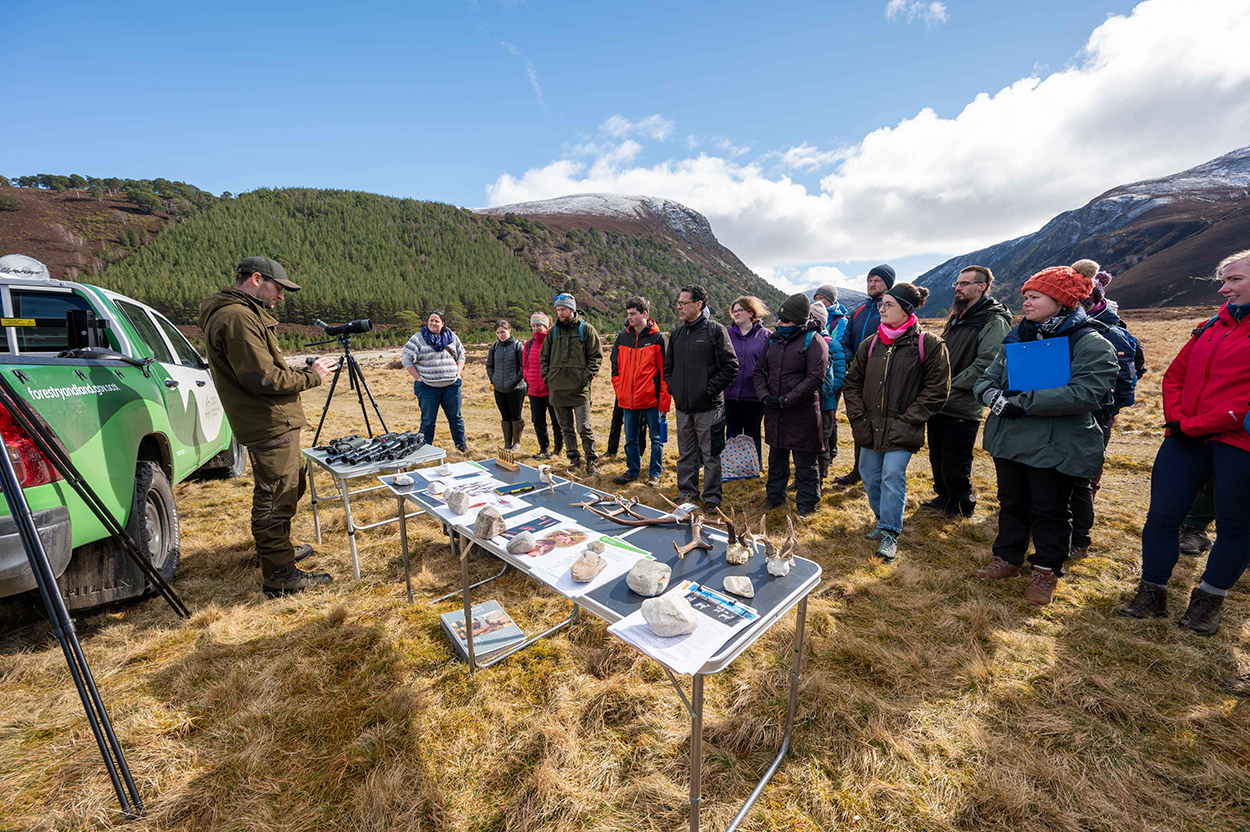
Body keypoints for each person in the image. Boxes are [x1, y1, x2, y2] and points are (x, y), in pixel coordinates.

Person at [1120, 249, 1250, 635]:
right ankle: (1151, 591)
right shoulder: (1210, 325)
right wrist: (1178, 420)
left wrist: (1197, 424)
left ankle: (1208, 601)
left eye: (1235, 280)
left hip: (1238, 441)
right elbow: (1175, 375)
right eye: (1224, 280)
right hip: (1185, 436)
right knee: (1162, 516)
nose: (1225, 289)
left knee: (1236, 525)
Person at [972, 266, 1117, 605]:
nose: (1027, 303)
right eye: (1026, 296)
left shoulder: (1090, 342)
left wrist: (1024, 401)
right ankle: (1007, 558)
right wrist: (992, 397)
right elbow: (987, 377)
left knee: (1050, 509)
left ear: (1060, 300)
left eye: (1035, 296)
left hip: (1055, 444)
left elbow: (1086, 392)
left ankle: (1046, 571)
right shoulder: (1019, 336)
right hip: (1010, 439)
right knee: (1012, 503)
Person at [198, 256, 336, 596]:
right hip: (268, 421)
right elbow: (263, 377)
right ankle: (280, 575)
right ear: (257, 279)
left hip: (269, 420)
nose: (282, 297)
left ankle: (279, 552)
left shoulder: (237, 314)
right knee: (277, 497)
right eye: (279, 288)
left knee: (286, 488)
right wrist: (313, 376)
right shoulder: (237, 317)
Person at [843, 283, 950, 560]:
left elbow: (937, 390)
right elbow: (852, 382)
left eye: (888, 304)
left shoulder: (929, 344)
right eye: (881, 304)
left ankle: (890, 531)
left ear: (907, 309)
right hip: (870, 426)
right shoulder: (871, 344)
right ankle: (882, 519)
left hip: (903, 427)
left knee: (892, 476)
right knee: (868, 473)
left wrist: (908, 420)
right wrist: (858, 417)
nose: (882, 309)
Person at [923, 265, 1010, 518]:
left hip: (963, 402)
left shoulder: (993, 319)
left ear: (982, 286)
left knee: (956, 459)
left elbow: (989, 361)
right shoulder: (958, 316)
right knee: (937, 455)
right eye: (957, 284)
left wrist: (951, 384)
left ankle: (962, 504)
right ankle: (944, 496)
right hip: (940, 399)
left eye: (965, 283)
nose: (958, 288)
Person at [1068, 269, 1142, 557]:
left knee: (1080, 478)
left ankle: (1079, 538)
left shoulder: (1111, 334)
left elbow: (1124, 382)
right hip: (1065, 414)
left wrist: (1103, 413)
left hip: (1094, 417)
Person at [754, 293, 829, 518]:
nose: (779, 323)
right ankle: (774, 498)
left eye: (784, 320)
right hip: (775, 411)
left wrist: (787, 399)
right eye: (778, 318)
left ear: (797, 321)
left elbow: (815, 378)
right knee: (776, 459)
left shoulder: (814, 341)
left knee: (805, 463)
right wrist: (764, 396)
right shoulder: (773, 340)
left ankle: (807, 505)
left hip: (801, 413)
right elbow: (759, 371)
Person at [664, 284, 738, 509]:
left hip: (709, 409)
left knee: (711, 455)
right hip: (684, 408)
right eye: (678, 303)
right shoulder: (676, 334)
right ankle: (687, 494)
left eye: (683, 303)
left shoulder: (715, 331)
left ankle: (712, 500)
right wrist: (674, 388)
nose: (679, 307)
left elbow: (731, 366)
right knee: (686, 454)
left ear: (698, 305)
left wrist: (709, 390)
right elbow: (668, 368)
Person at [834, 264, 895, 486]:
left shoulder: (892, 310)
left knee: (883, 424)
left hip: (885, 378)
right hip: (859, 377)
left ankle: (880, 474)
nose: (872, 283)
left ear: (888, 284)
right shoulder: (859, 312)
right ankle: (859, 470)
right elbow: (845, 341)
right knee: (859, 422)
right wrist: (855, 362)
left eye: (877, 280)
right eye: (870, 279)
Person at [609, 296, 670, 487]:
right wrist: (620, 391)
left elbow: (665, 373)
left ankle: (654, 474)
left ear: (645, 314)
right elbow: (614, 367)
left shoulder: (658, 338)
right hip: (627, 400)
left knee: (656, 439)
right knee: (630, 439)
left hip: (652, 400)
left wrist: (664, 402)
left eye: (633, 313)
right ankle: (632, 471)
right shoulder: (622, 337)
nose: (629, 317)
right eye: (628, 314)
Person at [540, 293, 603, 474]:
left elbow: (596, 357)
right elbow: (543, 358)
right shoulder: (552, 333)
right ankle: (574, 459)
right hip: (557, 390)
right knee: (566, 428)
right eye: (558, 309)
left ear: (572, 310)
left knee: (584, 427)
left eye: (564, 309)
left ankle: (592, 460)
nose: (560, 313)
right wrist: (548, 379)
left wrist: (585, 378)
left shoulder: (587, 330)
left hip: (580, 390)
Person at [401, 310, 468, 453]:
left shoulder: (451, 337)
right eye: (431, 320)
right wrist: (418, 378)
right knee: (428, 421)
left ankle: (461, 445)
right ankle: (425, 448)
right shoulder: (418, 338)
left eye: (437, 321)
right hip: (427, 387)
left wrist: (458, 373)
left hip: (452, 386)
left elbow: (461, 354)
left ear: (443, 323)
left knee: (456, 417)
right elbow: (406, 358)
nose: (433, 323)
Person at [724, 295, 772, 462]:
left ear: (751, 312)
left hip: (755, 395)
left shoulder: (766, 335)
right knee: (732, 433)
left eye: (739, 310)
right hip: (731, 394)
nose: (735, 314)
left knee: (753, 433)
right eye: (733, 311)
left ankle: (753, 466)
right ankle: (732, 467)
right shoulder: (726, 335)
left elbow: (770, 365)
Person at [810, 299, 848, 481]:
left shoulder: (831, 344)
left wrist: (824, 393)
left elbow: (839, 375)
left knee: (822, 441)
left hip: (826, 404)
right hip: (810, 402)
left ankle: (821, 476)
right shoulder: (807, 341)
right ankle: (809, 476)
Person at [523, 313, 562, 460]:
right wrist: (526, 377)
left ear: (546, 326)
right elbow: (524, 363)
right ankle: (543, 449)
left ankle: (557, 450)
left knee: (556, 421)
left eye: (539, 325)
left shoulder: (553, 341)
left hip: (550, 389)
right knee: (538, 421)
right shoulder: (529, 343)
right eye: (533, 325)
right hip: (533, 390)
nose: (536, 328)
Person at [486, 320, 527, 451]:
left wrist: (514, 381)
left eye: (503, 332)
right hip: (499, 388)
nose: (500, 335)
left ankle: (517, 443)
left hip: (516, 388)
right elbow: (489, 366)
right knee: (505, 416)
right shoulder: (494, 347)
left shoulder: (517, 346)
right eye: (498, 332)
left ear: (509, 330)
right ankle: (507, 443)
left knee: (515, 416)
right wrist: (493, 380)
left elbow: (523, 367)